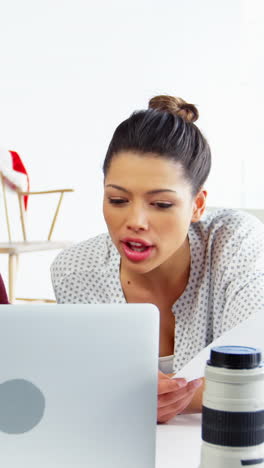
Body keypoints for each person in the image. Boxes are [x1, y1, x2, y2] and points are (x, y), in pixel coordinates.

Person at [51, 95, 264, 423]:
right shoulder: (76, 271)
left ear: (197, 205)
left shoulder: (235, 242)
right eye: (117, 199)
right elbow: (85, 385)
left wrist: (171, 398)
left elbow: (254, 372)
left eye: (161, 204)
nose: (135, 220)